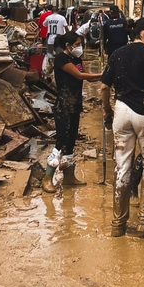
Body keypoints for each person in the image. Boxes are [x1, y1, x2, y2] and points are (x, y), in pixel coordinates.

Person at [101, 18, 144, 238]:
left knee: (122, 166)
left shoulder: (117, 53)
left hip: (120, 111)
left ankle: (118, 224)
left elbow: (103, 87)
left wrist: (107, 110)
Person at [44, 32, 103, 192]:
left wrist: (105, 75)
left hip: (75, 104)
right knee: (61, 141)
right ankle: (47, 178)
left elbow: (88, 77)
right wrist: (103, 74)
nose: (80, 47)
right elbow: (79, 75)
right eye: (77, 44)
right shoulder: (61, 59)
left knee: (71, 142)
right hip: (63, 105)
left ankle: (69, 177)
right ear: (68, 45)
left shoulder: (76, 59)